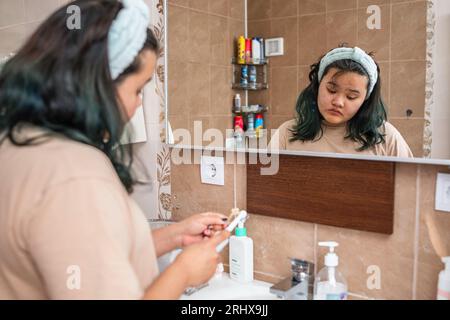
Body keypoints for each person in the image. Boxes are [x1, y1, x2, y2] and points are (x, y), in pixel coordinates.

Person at [0, 0, 229, 299]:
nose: (137, 105)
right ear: (97, 85)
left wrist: (174, 237)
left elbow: (79, 256)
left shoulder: (19, 141)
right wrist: (184, 271)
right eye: (137, 89)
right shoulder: (78, 176)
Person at [271, 46, 414, 158]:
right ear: (317, 86)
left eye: (351, 97)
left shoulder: (385, 137)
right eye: (331, 90)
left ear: (365, 100)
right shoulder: (287, 133)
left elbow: (411, 189)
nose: (338, 102)